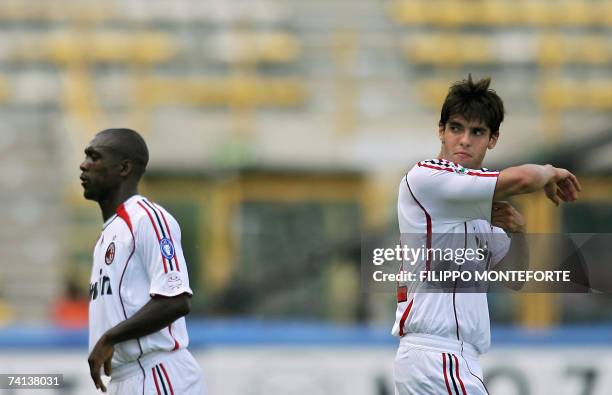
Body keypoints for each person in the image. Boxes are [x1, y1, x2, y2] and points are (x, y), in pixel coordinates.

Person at [392, 75, 581, 394]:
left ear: (493, 139)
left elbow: (514, 278)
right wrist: (550, 171)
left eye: (477, 132)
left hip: (454, 358)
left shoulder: (482, 207)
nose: (464, 140)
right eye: (456, 128)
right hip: (438, 357)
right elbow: (523, 180)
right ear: (441, 131)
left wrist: (519, 232)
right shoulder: (427, 178)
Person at [80, 128, 206, 394]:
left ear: (124, 168)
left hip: (157, 373)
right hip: (124, 378)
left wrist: (109, 338)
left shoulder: (147, 218)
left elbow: (176, 300)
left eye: (94, 157)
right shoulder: (108, 234)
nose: (84, 165)